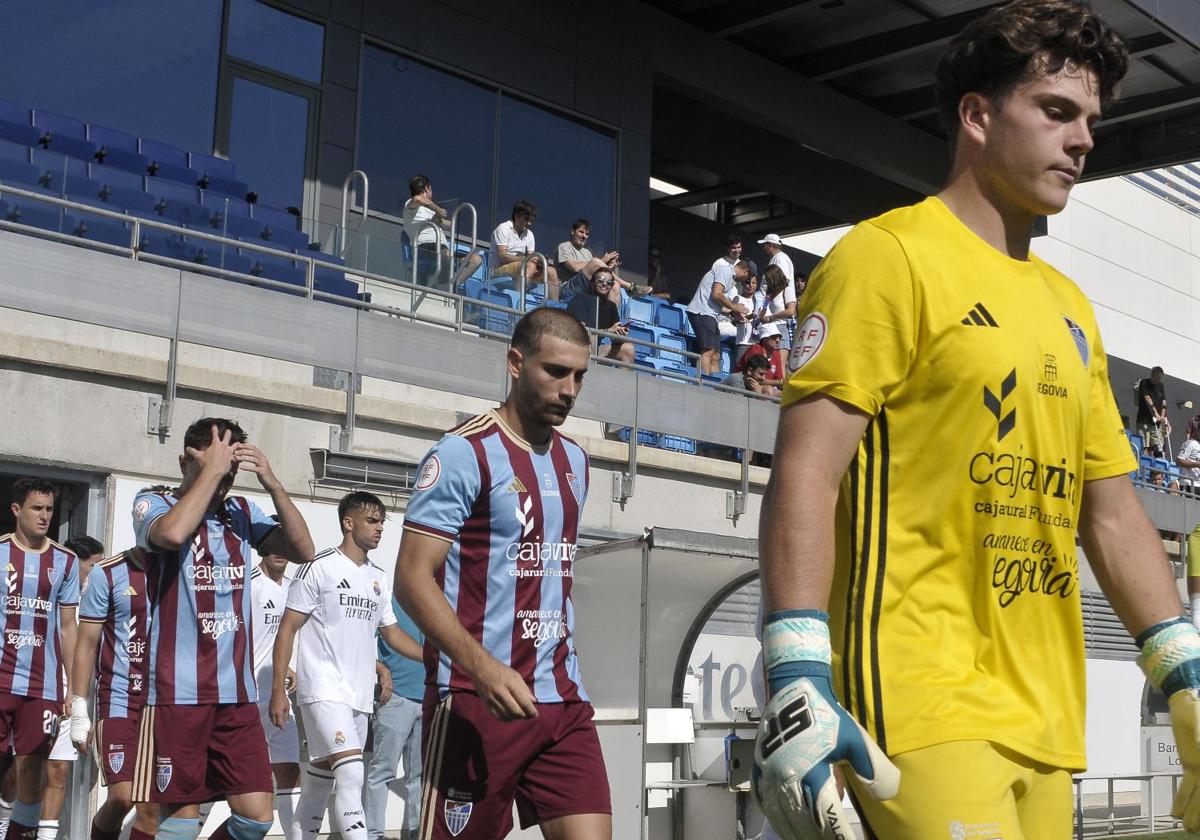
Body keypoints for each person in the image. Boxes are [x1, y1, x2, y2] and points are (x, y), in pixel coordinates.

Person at [753, 3, 1200, 838]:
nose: (1083, 140)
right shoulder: (887, 258)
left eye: (1091, 122)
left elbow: (1109, 510)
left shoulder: (1071, 309)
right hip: (920, 702)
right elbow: (808, 468)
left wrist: (1184, 670)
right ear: (977, 116)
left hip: (1047, 716)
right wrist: (796, 667)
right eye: (1058, 111)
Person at [395, 308, 611, 840]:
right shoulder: (463, 453)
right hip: (474, 698)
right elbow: (411, 578)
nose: (570, 389)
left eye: (580, 376)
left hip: (561, 698)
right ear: (516, 363)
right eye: (556, 371)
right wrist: (483, 667)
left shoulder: (577, 462)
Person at [129, 417, 314, 840]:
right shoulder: (152, 502)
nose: (225, 480)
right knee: (177, 819)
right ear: (185, 463)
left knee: (256, 818)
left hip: (237, 694)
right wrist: (210, 472)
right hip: (179, 693)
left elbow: (303, 550)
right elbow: (173, 534)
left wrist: (272, 483)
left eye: (231, 471)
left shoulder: (241, 512)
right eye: (217, 467)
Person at [270, 492, 422, 840]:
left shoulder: (378, 578)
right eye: (372, 520)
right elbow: (287, 629)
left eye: (382, 521)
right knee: (353, 775)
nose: (379, 528)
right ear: (348, 523)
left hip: (359, 696)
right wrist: (278, 690)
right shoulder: (318, 567)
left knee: (319, 784)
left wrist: (435, 657)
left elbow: (393, 634)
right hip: (322, 690)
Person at [0, 479, 79, 840]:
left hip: (41, 684)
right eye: (37, 508)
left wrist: (74, 690)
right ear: (17, 509)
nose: (44, 516)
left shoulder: (65, 560)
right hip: (0, 679)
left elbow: (68, 627)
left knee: (31, 768)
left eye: (49, 509)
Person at [70, 541, 158, 840]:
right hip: (118, 699)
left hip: (162, 703)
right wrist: (80, 708)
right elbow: (86, 643)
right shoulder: (107, 573)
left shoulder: (181, 571)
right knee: (124, 796)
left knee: (151, 806)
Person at [39, 535, 103, 840]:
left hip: (73, 696)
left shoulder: (98, 598)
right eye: (93, 565)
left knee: (59, 771)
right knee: (21, 769)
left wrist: (82, 707)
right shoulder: (49, 593)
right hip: (39, 689)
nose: (98, 572)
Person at [249, 546, 300, 840]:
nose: (280, 550)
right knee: (244, 780)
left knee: (290, 772)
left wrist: (286, 669)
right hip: (247, 696)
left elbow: (284, 638)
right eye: (273, 543)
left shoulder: (294, 588)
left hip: (278, 695)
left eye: (285, 543)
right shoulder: (249, 582)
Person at [365, 598, 426, 840]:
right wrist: (381, 670)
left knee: (419, 778)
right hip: (395, 698)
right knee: (383, 772)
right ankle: (373, 836)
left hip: (427, 699)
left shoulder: (436, 603)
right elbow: (355, 644)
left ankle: (418, 834)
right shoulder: (387, 602)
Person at [402, 174, 483, 290]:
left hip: (442, 248)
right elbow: (417, 199)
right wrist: (438, 209)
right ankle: (443, 286)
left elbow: (443, 223)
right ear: (427, 188)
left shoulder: (426, 210)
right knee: (445, 256)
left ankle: (452, 286)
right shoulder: (410, 205)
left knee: (476, 260)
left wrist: (454, 222)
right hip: (425, 247)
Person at [687, 260, 751, 375]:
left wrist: (733, 313)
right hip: (702, 312)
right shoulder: (725, 270)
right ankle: (703, 383)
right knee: (708, 351)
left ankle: (714, 384)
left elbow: (718, 305)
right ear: (745, 271)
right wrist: (735, 307)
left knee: (716, 355)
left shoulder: (730, 281)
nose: (745, 282)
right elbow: (716, 294)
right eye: (747, 278)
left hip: (711, 315)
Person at [565, 267, 635, 364]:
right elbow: (580, 333)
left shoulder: (611, 306)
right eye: (601, 281)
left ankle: (624, 379)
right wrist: (608, 331)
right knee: (590, 339)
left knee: (628, 349)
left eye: (609, 282)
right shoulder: (581, 298)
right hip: (574, 349)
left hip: (595, 350)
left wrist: (619, 334)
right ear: (592, 283)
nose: (605, 284)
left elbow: (614, 340)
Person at [491, 201, 557, 297]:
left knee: (551, 272)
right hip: (498, 268)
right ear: (517, 216)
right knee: (530, 266)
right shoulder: (503, 228)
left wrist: (539, 261)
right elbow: (502, 256)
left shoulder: (529, 234)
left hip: (520, 268)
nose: (529, 223)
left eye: (531, 220)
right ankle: (518, 300)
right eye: (526, 219)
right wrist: (527, 259)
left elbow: (531, 257)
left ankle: (554, 307)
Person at [729, 270, 765, 366]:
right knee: (740, 368)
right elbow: (737, 320)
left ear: (757, 285)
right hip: (743, 341)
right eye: (747, 282)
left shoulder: (759, 300)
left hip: (756, 342)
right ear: (742, 284)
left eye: (753, 283)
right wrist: (751, 316)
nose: (750, 285)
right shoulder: (738, 298)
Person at [735, 322, 784, 390]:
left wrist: (782, 383)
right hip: (743, 384)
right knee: (768, 390)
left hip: (762, 386)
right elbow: (753, 377)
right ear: (764, 339)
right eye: (774, 337)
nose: (778, 340)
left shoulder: (776, 353)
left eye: (779, 337)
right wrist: (779, 382)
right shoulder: (755, 349)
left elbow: (779, 378)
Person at [1137, 366, 1169, 456]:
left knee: (1157, 446)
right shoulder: (1144, 383)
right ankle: (1144, 466)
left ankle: (1156, 467)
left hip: (1156, 423)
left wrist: (1162, 416)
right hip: (1144, 421)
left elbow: (1163, 400)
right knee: (1144, 445)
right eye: (1157, 378)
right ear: (1152, 375)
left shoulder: (1160, 386)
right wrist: (1155, 414)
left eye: (1160, 378)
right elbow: (1147, 399)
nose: (1158, 380)